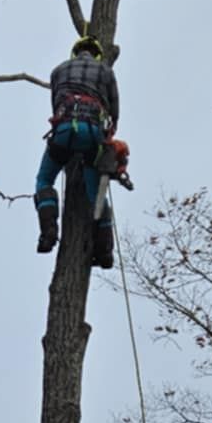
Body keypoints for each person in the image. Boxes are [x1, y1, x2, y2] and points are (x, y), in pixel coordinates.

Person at [36, 34, 127, 269]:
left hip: (64, 131)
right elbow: (114, 109)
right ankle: (104, 252)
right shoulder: (106, 71)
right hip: (92, 134)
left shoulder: (58, 71)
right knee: (95, 193)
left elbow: (55, 105)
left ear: (75, 52)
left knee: (44, 180)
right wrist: (109, 133)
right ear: (97, 54)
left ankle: (48, 231)